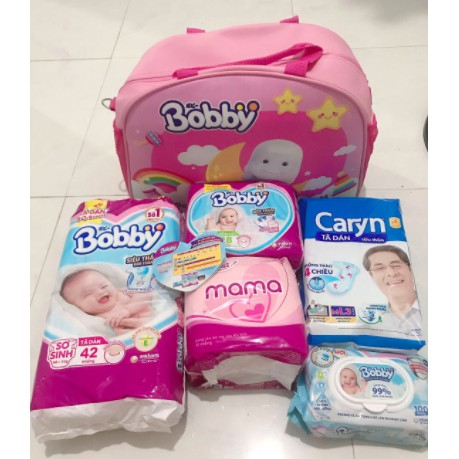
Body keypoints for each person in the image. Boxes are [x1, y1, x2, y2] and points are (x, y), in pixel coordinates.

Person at [61, 269, 154, 335]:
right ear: (78, 307)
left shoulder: (121, 292)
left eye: (104, 286)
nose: (100, 292)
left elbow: (146, 293)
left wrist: (128, 309)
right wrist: (122, 333)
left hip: (156, 318)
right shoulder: (97, 320)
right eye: (88, 293)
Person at [362, 245, 423, 330]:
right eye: (380, 268)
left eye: (396, 265)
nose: (391, 273)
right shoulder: (367, 319)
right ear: (371, 275)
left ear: (410, 269)